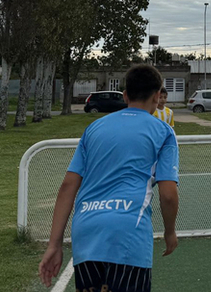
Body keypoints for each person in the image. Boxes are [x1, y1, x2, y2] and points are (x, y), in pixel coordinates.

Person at [38, 64, 180, 291]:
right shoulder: (163, 131)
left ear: (125, 96)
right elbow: (168, 195)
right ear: (157, 96)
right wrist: (170, 231)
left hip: (86, 232)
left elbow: (67, 186)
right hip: (128, 232)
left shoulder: (94, 128)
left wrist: (54, 244)